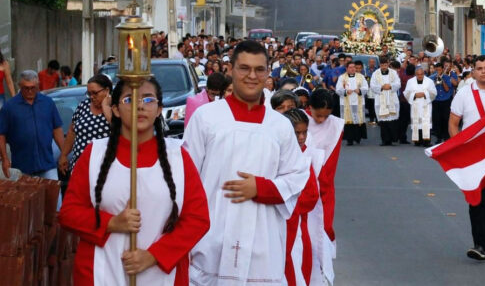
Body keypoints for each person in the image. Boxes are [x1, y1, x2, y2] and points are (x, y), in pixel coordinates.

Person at [58, 77, 210, 285]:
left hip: (163, 274)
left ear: (159, 110)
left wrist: (153, 256)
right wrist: (111, 222)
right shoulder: (94, 154)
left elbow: (197, 219)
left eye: (148, 100)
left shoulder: (178, 156)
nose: (140, 105)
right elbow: (69, 213)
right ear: (116, 110)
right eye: (130, 99)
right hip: (101, 272)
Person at [183, 40, 311, 285]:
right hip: (212, 241)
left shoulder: (280, 125)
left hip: (263, 243)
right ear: (230, 70)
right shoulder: (206, 118)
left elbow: (297, 177)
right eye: (244, 68)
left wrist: (261, 189)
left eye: (259, 69)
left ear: (267, 72)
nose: (252, 76)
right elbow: (186, 179)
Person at [448, 55, 485, 261]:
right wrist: (459, 149)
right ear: (473, 72)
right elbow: (453, 123)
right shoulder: (464, 94)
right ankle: (478, 243)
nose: (483, 71)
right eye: (479, 68)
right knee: (476, 198)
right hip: (472, 155)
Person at [280, 108, 333, 286]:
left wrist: (284, 202)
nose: (302, 138)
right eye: (297, 133)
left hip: (297, 224)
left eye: (304, 133)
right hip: (275, 222)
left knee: (297, 266)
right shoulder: (274, 154)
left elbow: (311, 195)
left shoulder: (306, 158)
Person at [0, 70, 65, 179]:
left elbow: (57, 129)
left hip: (47, 164)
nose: (30, 91)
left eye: (33, 87)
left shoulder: (48, 103)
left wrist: (63, 153)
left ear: (38, 85)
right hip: (22, 167)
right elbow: (1, 134)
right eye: (26, 88)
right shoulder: (9, 107)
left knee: (54, 195)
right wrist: (5, 158)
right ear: (20, 86)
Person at [58, 74, 113, 194]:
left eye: (95, 93)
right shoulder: (83, 106)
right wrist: (64, 155)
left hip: (104, 168)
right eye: (89, 94)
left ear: (107, 90)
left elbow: (119, 128)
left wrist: (105, 106)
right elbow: (72, 131)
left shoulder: (116, 107)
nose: (92, 97)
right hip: (79, 165)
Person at [305, 88, 343, 257]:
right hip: (302, 178)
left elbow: (331, 158)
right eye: (317, 115)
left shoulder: (335, 125)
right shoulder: (300, 119)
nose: (321, 120)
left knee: (324, 225)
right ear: (309, 107)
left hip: (323, 182)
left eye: (325, 116)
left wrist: (322, 180)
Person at [336, 61, 369, 146]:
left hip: (358, 101)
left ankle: (358, 137)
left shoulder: (361, 77)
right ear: (346, 68)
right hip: (347, 102)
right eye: (350, 67)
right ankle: (349, 139)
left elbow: (366, 87)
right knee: (348, 120)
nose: (353, 68)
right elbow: (338, 89)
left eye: (354, 67)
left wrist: (360, 90)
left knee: (357, 119)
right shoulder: (342, 77)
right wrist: (346, 91)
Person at [371, 60, 402, 146]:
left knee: (392, 120)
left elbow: (398, 83)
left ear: (388, 64)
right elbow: (372, 85)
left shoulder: (393, 73)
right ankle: (385, 140)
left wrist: (390, 86)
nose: (384, 66)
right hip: (381, 99)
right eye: (382, 65)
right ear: (380, 65)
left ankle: (392, 139)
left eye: (385, 64)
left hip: (391, 97)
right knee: (383, 122)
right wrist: (382, 87)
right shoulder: (375, 74)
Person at [404, 66, 437, 147]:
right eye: (418, 74)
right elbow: (406, 93)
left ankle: (426, 141)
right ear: (415, 74)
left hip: (425, 104)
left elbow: (434, 93)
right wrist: (414, 95)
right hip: (415, 104)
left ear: (424, 74)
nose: (420, 76)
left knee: (425, 123)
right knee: (416, 122)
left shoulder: (429, 81)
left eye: (421, 74)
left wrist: (424, 94)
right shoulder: (410, 81)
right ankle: (417, 141)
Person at [430, 61, 459, 144]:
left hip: (445, 100)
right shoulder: (431, 77)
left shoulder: (446, 77)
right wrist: (435, 82)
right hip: (436, 100)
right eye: (437, 70)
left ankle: (446, 136)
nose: (438, 72)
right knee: (437, 119)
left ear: (442, 69)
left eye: (440, 70)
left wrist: (442, 81)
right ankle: (438, 137)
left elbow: (447, 89)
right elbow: (429, 89)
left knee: (445, 118)